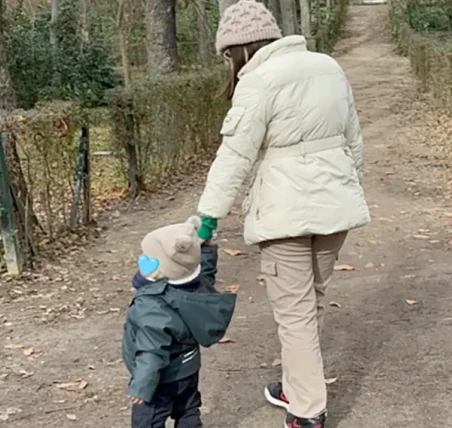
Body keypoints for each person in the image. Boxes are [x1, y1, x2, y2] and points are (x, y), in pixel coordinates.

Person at [196, 1, 370, 427]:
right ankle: (297, 384)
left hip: (284, 214)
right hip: (336, 207)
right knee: (311, 301)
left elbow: (234, 156)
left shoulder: (258, 81)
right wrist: (350, 188)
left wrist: (206, 218)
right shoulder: (328, 66)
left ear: (238, 49)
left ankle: (307, 411)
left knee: (294, 314)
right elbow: (355, 140)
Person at [122, 216, 237, 428]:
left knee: (148, 419)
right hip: (189, 368)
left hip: (160, 379)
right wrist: (207, 251)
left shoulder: (152, 307)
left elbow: (152, 351)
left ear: (160, 270)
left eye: (148, 257)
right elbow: (207, 272)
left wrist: (141, 386)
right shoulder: (197, 288)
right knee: (188, 409)